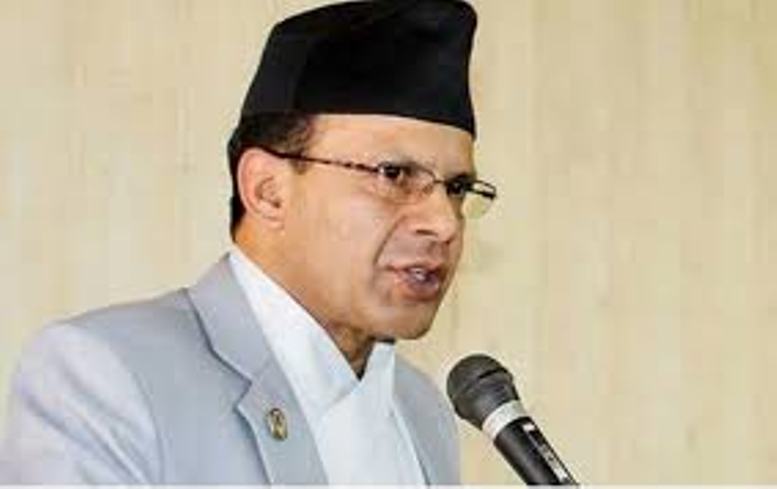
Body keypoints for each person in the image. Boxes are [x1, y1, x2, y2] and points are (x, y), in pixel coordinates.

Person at [0, 0, 497, 484]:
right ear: (267, 190)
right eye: (394, 174)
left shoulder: (421, 410)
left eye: (456, 188)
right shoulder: (109, 378)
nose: (444, 223)